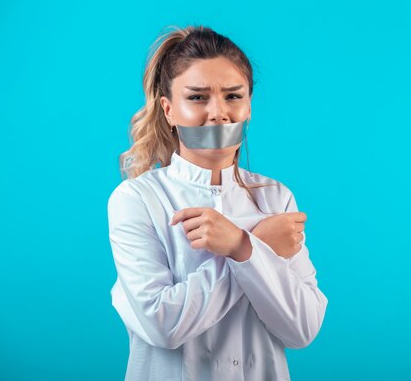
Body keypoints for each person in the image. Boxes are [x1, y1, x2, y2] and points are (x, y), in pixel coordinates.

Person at [107, 25, 328, 381]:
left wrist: (242, 247)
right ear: (168, 110)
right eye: (197, 98)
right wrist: (254, 248)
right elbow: (163, 324)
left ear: (249, 106)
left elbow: (303, 328)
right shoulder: (137, 200)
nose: (218, 114)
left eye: (233, 96)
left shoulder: (276, 198)